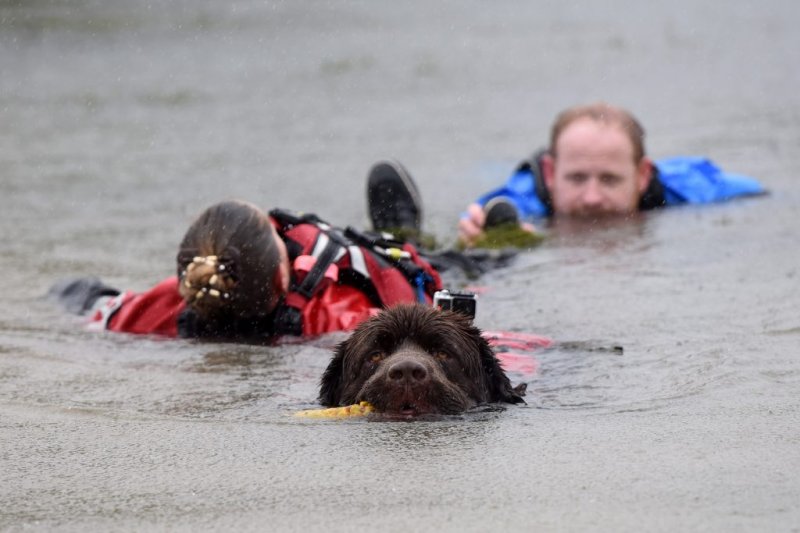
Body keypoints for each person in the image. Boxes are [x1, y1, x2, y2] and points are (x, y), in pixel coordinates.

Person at [364, 102, 765, 248]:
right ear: (551, 172)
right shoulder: (513, 203)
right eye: (576, 179)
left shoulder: (697, 190)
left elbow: (765, 198)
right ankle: (403, 242)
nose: (591, 197)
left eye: (609, 180)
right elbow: (479, 221)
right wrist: (486, 237)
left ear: (643, 175)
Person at [52, 195, 443, 341]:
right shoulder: (334, 314)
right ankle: (401, 229)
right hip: (406, 273)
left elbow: (83, 294)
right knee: (443, 260)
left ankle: (397, 226)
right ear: (284, 274)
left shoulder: (169, 307)